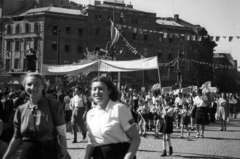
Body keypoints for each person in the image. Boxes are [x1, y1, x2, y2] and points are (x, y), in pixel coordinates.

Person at [3, 72, 68, 159]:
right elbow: (17, 138)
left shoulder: (54, 105)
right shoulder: (20, 110)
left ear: (43, 86)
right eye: (29, 84)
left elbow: (62, 134)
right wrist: (6, 157)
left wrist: (63, 155)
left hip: (49, 153)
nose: (32, 88)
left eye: (37, 84)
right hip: (27, 154)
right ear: (24, 87)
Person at [84, 76, 140, 159]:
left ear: (109, 91)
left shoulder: (119, 109)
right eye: (94, 89)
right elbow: (91, 141)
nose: (97, 92)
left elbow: (135, 138)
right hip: (98, 156)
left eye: (100, 89)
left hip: (120, 155)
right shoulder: (90, 114)